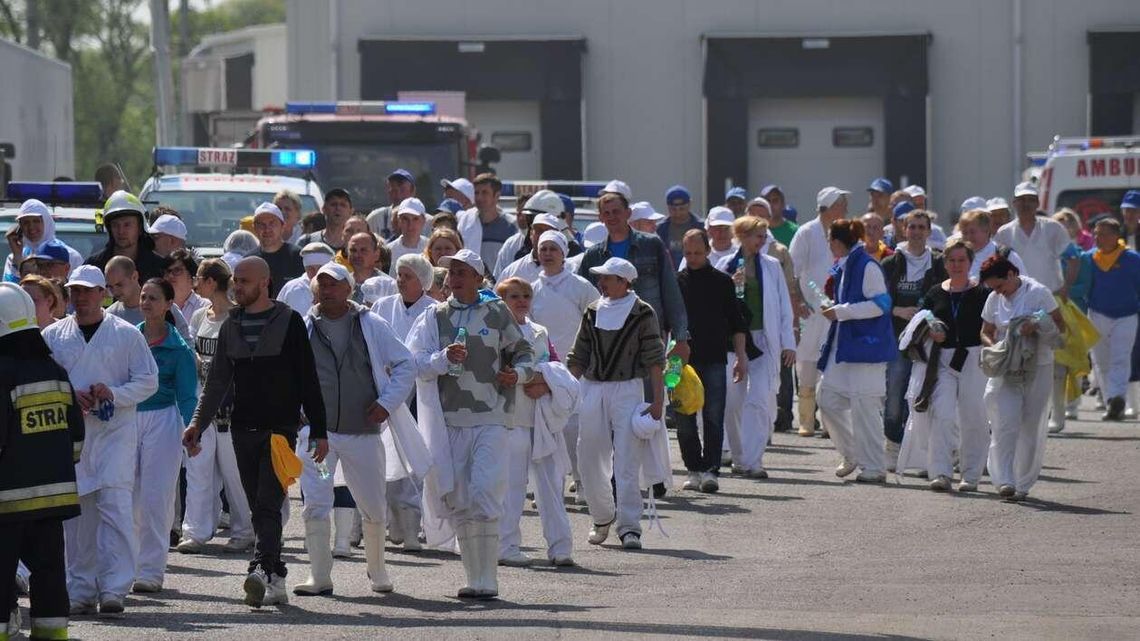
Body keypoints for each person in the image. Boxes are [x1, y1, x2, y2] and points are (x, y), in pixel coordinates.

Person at [181, 257, 328, 608]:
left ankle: (259, 568)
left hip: (280, 430)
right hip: (241, 428)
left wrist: (320, 431)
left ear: (265, 282)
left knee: (266, 502)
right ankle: (277, 574)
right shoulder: (232, 324)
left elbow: (309, 379)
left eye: (244, 281)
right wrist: (197, 425)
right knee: (256, 506)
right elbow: (216, 383)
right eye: (235, 280)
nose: (237, 287)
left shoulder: (289, 322)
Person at [406, 248, 536, 599]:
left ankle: (489, 577)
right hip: (449, 419)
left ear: (479, 278)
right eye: (452, 272)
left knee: (485, 489)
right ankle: (474, 578)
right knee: (460, 496)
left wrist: (518, 374)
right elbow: (413, 360)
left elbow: (525, 352)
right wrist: (442, 358)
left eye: (464, 271)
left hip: (492, 415)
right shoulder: (435, 316)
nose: (456, 277)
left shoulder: (497, 312)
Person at [293, 262, 421, 597]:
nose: (328, 290)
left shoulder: (371, 324)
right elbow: (285, 376)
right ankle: (319, 576)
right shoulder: (303, 326)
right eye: (322, 284)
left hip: (362, 432)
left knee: (373, 504)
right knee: (316, 501)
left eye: (335, 284)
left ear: (349, 289)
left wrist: (387, 402)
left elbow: (406, 364)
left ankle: (377, 571)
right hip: (320, 438)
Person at [42, 265, 159, 615]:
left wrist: (115, 393)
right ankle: (79, 589)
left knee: (116, 510)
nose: (82, 297)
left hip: (115, 435)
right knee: (76, 517)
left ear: (103, 293)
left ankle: (114, 588)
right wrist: (68, 396)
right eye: (76, 291)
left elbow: (148, 380)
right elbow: (44, 381)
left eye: (89, 291)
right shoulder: (53, 335)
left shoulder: (125, 334)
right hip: (72, 438)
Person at [0, 284, 85, 641]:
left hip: (7, 500)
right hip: (55, 497)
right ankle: (53, 634)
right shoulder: (55, 370)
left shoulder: (3, 372)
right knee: (49, 572)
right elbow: (76, 438)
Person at [567, 257, 666, 550]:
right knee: (587, 455)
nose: (601, 283)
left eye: (607, 278)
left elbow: (654, 361)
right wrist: (564, 390)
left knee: (626, 458)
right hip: (593, 388)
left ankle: (630, 526)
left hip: (628, 389)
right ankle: (602, 516)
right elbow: (578, 356)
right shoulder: (592, 310)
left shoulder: (642, 312)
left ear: (624, 282)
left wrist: (658, 402)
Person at [494, 277, 577, 567]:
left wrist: (545, 382)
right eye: (514, 296)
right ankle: (506, 546)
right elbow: (498, 371)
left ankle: (560, 547)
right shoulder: (496, 331)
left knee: (552, 485)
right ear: (501, 301)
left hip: (541, 419)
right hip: (510, 418)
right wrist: (532, 377)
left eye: (526, 295)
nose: (521, 300)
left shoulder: (540, 331)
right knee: (512, 487)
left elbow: (556, 367)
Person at [898, 241, 990, 491]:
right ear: (945, 263)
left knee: (974, 416)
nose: (957, 265)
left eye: (962, 260)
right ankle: (941, 472)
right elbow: (922, 320)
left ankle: (971, 475)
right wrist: (931, 330)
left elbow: (991, 325)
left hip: (973, 358)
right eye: (952, 260)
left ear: (970, 262)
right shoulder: (935, 292)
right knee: (942, 413)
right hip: (942, 359)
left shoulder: (982, 292)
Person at [178, 259, 254, 554]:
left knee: (235, 474)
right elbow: (195, 355)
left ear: (211, 282)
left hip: (231, 410)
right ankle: (195, 531)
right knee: (198, 470)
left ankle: (245, 529)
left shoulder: (237, 318)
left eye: (198, 277)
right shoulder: (199, 317)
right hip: (202, 406)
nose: (196, 283)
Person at [993, 182, 1079, 433]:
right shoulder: (1004, 233)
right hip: (1018, 301)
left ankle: (1058, 415)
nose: (1026, 204)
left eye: (1031, 199)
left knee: (1056, 359)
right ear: (1014, 203)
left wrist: (1066, 288)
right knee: (1020, 357)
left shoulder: (1053, 227)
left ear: (1037, 203)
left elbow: (1073, 257)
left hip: (1050, 300)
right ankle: (1028, 415)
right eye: (1021, 200)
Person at [815, 219, 896, 483]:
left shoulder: (867, 265)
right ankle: (852, 454)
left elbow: (881, 304)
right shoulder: (846, 264)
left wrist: (841, 311)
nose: (828, 244)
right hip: (846, 346)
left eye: (830, 239)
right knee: (826, 398)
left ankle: (874, 467)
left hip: (867, 348)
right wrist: (837, 309)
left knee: (865, 406)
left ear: (838, 242)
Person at [980, 256, 1066, 501]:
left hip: (1038, 365)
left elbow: (1061, 329)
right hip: (1007, 368)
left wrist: (1037, 325)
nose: (999, 293)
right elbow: (985, 331)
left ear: (1011, 274)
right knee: (1005, 421)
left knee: (1030, 425)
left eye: (1000, 286)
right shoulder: (994, 299)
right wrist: (996, 347)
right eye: (993, 289)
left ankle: (1022, 482)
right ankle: (1004, 479)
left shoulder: (1039, 293)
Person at [130, 278, 197, 593]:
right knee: (126, 497)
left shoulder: (180, 349)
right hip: (128, 420)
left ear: (169, 304)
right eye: (143, 296)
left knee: (156, 498)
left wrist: (191, 431)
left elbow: (187, 396)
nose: (146, 302)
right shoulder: (130, 338)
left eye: (153, 298)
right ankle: (124, 566)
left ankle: (151, 571)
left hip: (164, 422)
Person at [718, 218, 797, 479]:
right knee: (733, 402)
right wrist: (730, 282)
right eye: (757, 236)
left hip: (764, 339)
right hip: (733, 342)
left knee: (760, 400)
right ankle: (738, 456)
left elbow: (784, 307)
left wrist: (789, 343)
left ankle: (754, 460)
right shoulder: (726, 265)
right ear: (742, 235)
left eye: (764, 236)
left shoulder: (772, 266)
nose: (761, 241)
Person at [371, 253, 437, 550]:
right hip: (383, 391)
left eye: (408, 276)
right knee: (383, 456)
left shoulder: (434, 311)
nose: (400, 280)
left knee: (412, 457)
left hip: (419, 396)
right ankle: (389, 520)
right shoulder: (382, 307)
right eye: (398, 274)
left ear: (423, 281)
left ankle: (413, 525)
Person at [529, 229, 599, 493]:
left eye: (553, 249)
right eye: (543, 249)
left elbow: (597, 321)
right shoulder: (532, 289)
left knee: (574, 431)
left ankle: (582, 482)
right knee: (545, 430)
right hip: (544, 369)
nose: (547, 254)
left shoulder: (580, 287)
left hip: (575, 369)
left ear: (563, 254)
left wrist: (586, 360)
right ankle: (549, 486)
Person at [677, 229, 748, 491]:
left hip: (715, 358)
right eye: (688, 253)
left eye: (697, 252)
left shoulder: (722, 282)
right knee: (683, 417)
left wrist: (741, 357)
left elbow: (737, 323)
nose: (693, 258)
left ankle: (711, 470)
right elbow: (664, 324)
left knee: (714, 416)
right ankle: (693, 468)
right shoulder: (676, 282)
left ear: (708, 251)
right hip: (678, 360)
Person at [880, 210, 946, 469]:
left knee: (923, 394)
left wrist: (928, 317)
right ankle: (893, 444)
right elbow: (879, 299)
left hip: (928, 341)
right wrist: (897, 310)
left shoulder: (939, 263)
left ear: (929, 231)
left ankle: (921, 451)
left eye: (922, 227)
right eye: (912, 227)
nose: (917, 232)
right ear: (903, 230)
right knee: (895, 393)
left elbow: (944, 296)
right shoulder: (890, 263)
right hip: (897, 339)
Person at [787, 187, 848, 437]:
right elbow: (792, 270)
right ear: (830, 206)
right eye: (841, 204)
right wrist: (798, 301)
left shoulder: (845, 232)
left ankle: (828, 420)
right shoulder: (806, 232)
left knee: (832, 362)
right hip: (810, 310)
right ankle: (806, 419)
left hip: (835, 309)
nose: (845, 208)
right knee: (807, 363)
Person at [1084, 218, 1140, 421]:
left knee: (1120, 358)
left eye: (1104, 233)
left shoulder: (1132, 259)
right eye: (1096, 234)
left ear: (1117, 236)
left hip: (1126, 316)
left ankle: (1117, 397)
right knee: (1101, 362)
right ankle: (1111, 403)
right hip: (1097, 314)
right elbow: (1080, 286)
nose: (1098, 238)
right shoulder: (1089, 258)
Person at [84, 191, 166, 283]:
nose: (121, 231)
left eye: (127, 225)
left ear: (139, 228)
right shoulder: (93, 266)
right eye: (115, 225)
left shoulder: (159, 268)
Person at [104, 256, 191, 342]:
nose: (114, 291)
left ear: (134, 276)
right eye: (110, 287)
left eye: (119, 285)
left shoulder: (165, 307)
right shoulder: (109, 316)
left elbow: (187, 343)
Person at [4, 198, 83, 282]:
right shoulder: (14, 258)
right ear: (20, 227)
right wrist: (17, 259)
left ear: (46, 222)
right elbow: (10, 291)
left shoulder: (71, 256)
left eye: (36, 221)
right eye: (26, 222)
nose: (31, 227)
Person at [457, 173, 515, 271]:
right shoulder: (465, 220)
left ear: (496, 196)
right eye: (476, 193)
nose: (479, 197)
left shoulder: (511, 225)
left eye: (484, 192)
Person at [249, 202, 303, 299]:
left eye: (272, 224)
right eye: (261, 225)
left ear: (283, 226)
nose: (267, 229)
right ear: (254, 228)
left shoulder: (298, 257)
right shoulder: (249, 261)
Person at [498, 211, 569, 284]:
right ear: (531, 234)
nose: (543, 235)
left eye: (548, 231)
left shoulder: (571, 269)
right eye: (539, 230)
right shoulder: (513, 271)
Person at [958, 209, 1026, 279]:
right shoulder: (957, 257)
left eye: (972, 232)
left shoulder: (1005, 255)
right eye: (964, 233)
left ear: (986, 230)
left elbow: (1024, 283)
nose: (968, 237)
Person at [277, 242, 336, 315]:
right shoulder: (291, 288)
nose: (316, 273)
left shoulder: (339, 286)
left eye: (321, 268)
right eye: (310, 268)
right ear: (305, 269)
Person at [657, 185, 703, 269]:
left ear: (689, 204)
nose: (678, 213)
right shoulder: (660, 229)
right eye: (673, 209)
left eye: (682, 209)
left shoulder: (702, 227)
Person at [346, 231, 397, 305]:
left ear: (376, 254)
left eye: (363, 250)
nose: (357, 255)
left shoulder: (389, 286)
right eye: (353, 250)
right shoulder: (341, 283)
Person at [367, 169, 417, 240]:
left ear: (413, 191)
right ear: (388, 192)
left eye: (402, 190)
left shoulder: (428, 222)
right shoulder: (375, 219)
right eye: (394, 190)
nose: (398, 195)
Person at [386, 197, 429, 273]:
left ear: (423, 221)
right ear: (399, 221)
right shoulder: (389, 251)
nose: (410, 224)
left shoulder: (431, 247)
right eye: (405, 219)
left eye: (415, 219)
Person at [164, 249, 207, 322]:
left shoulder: (204, 307)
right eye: (168, 271)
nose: (170, 275)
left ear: (191, 276)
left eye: (177, 270)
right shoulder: (158, 305)